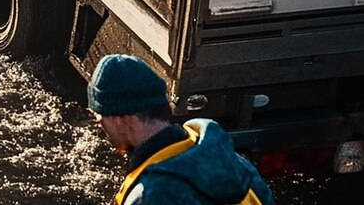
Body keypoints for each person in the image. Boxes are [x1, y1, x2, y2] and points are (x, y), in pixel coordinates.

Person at [88, 54, 274, 205]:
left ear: (123, 119)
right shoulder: (231, 162)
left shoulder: (150, 196)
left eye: (100, 115)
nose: (98, 122)